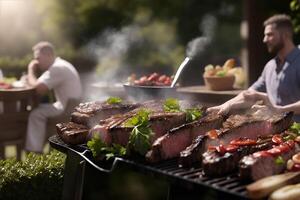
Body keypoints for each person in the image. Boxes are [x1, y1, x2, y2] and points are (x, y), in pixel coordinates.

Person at [208, 14, 300, 122]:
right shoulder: (270, 66)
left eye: (270, 34)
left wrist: (279, 111)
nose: (264, 40)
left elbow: (277, 110)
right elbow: (249, 94)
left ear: (285, 35)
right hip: (276, 133)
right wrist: (224, 106)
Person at [25, 41, 82, 153]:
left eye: (38, 58)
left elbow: (38, 88)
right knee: (40, 109)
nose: (36, 61)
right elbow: (39, 86)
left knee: (35, 113)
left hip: (67, 109)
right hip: (70, 106)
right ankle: (37, 144)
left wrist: (30, 69)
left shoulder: (57, 68)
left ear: (48, 55)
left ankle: (34, 151)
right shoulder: (60, 64)